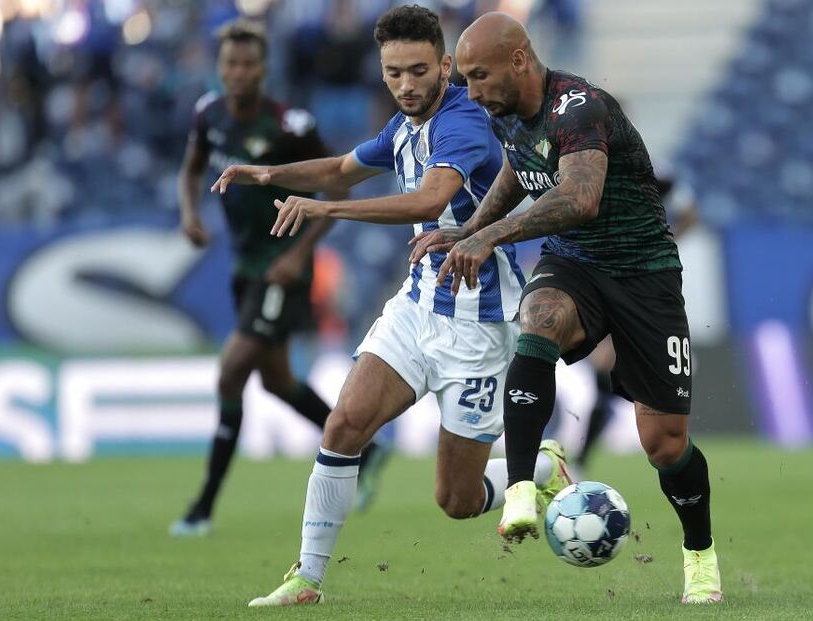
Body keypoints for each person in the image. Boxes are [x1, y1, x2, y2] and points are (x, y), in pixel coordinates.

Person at [209, 6, 571, 607]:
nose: (405, 84)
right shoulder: (402, 127)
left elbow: (428, 198)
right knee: (344, 425)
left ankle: (535, 470)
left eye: (418, 70)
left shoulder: (462, 123)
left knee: (456, 501)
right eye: (393, 72)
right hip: (416, 307)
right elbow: (343, 170)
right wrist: (272, 173)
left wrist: (324, 211)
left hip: (479, 325)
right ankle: (307, 578)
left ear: (445, 66)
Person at [410, 12, 722, 604]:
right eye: (467, 79)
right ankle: (523, 484)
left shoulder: (579, 107)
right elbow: (518, 169)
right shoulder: (506, 114)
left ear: (520, 60)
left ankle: (700, 555)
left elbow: (580, 198)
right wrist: (469, 227)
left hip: (643, 273)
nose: (471, 92)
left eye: (479, 76)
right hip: (574, 261)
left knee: (665, 444)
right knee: (541, 316)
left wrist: (490, 236)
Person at [171, 19, 388, 537]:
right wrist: (189, 214)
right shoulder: (210, 114)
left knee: (231, 373)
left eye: (248, 65)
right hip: (246, 266)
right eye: (230, 64)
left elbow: (339, 191)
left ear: (264, 69)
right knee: (277, 380)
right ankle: (367, 447)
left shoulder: (289, 125)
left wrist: (299, 255)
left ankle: (202, 507)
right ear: (219, 68)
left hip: (283, 269)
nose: (238, 73)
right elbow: (191, 167)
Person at [575, 171, 701, 474]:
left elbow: (691, 215)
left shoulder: (655, 177)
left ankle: (671, 447)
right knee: (606, 380)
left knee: (615, 381)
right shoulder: (595, 168)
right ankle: (581, 458)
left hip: (643, 291)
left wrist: (666, 241)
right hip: (611, 286)